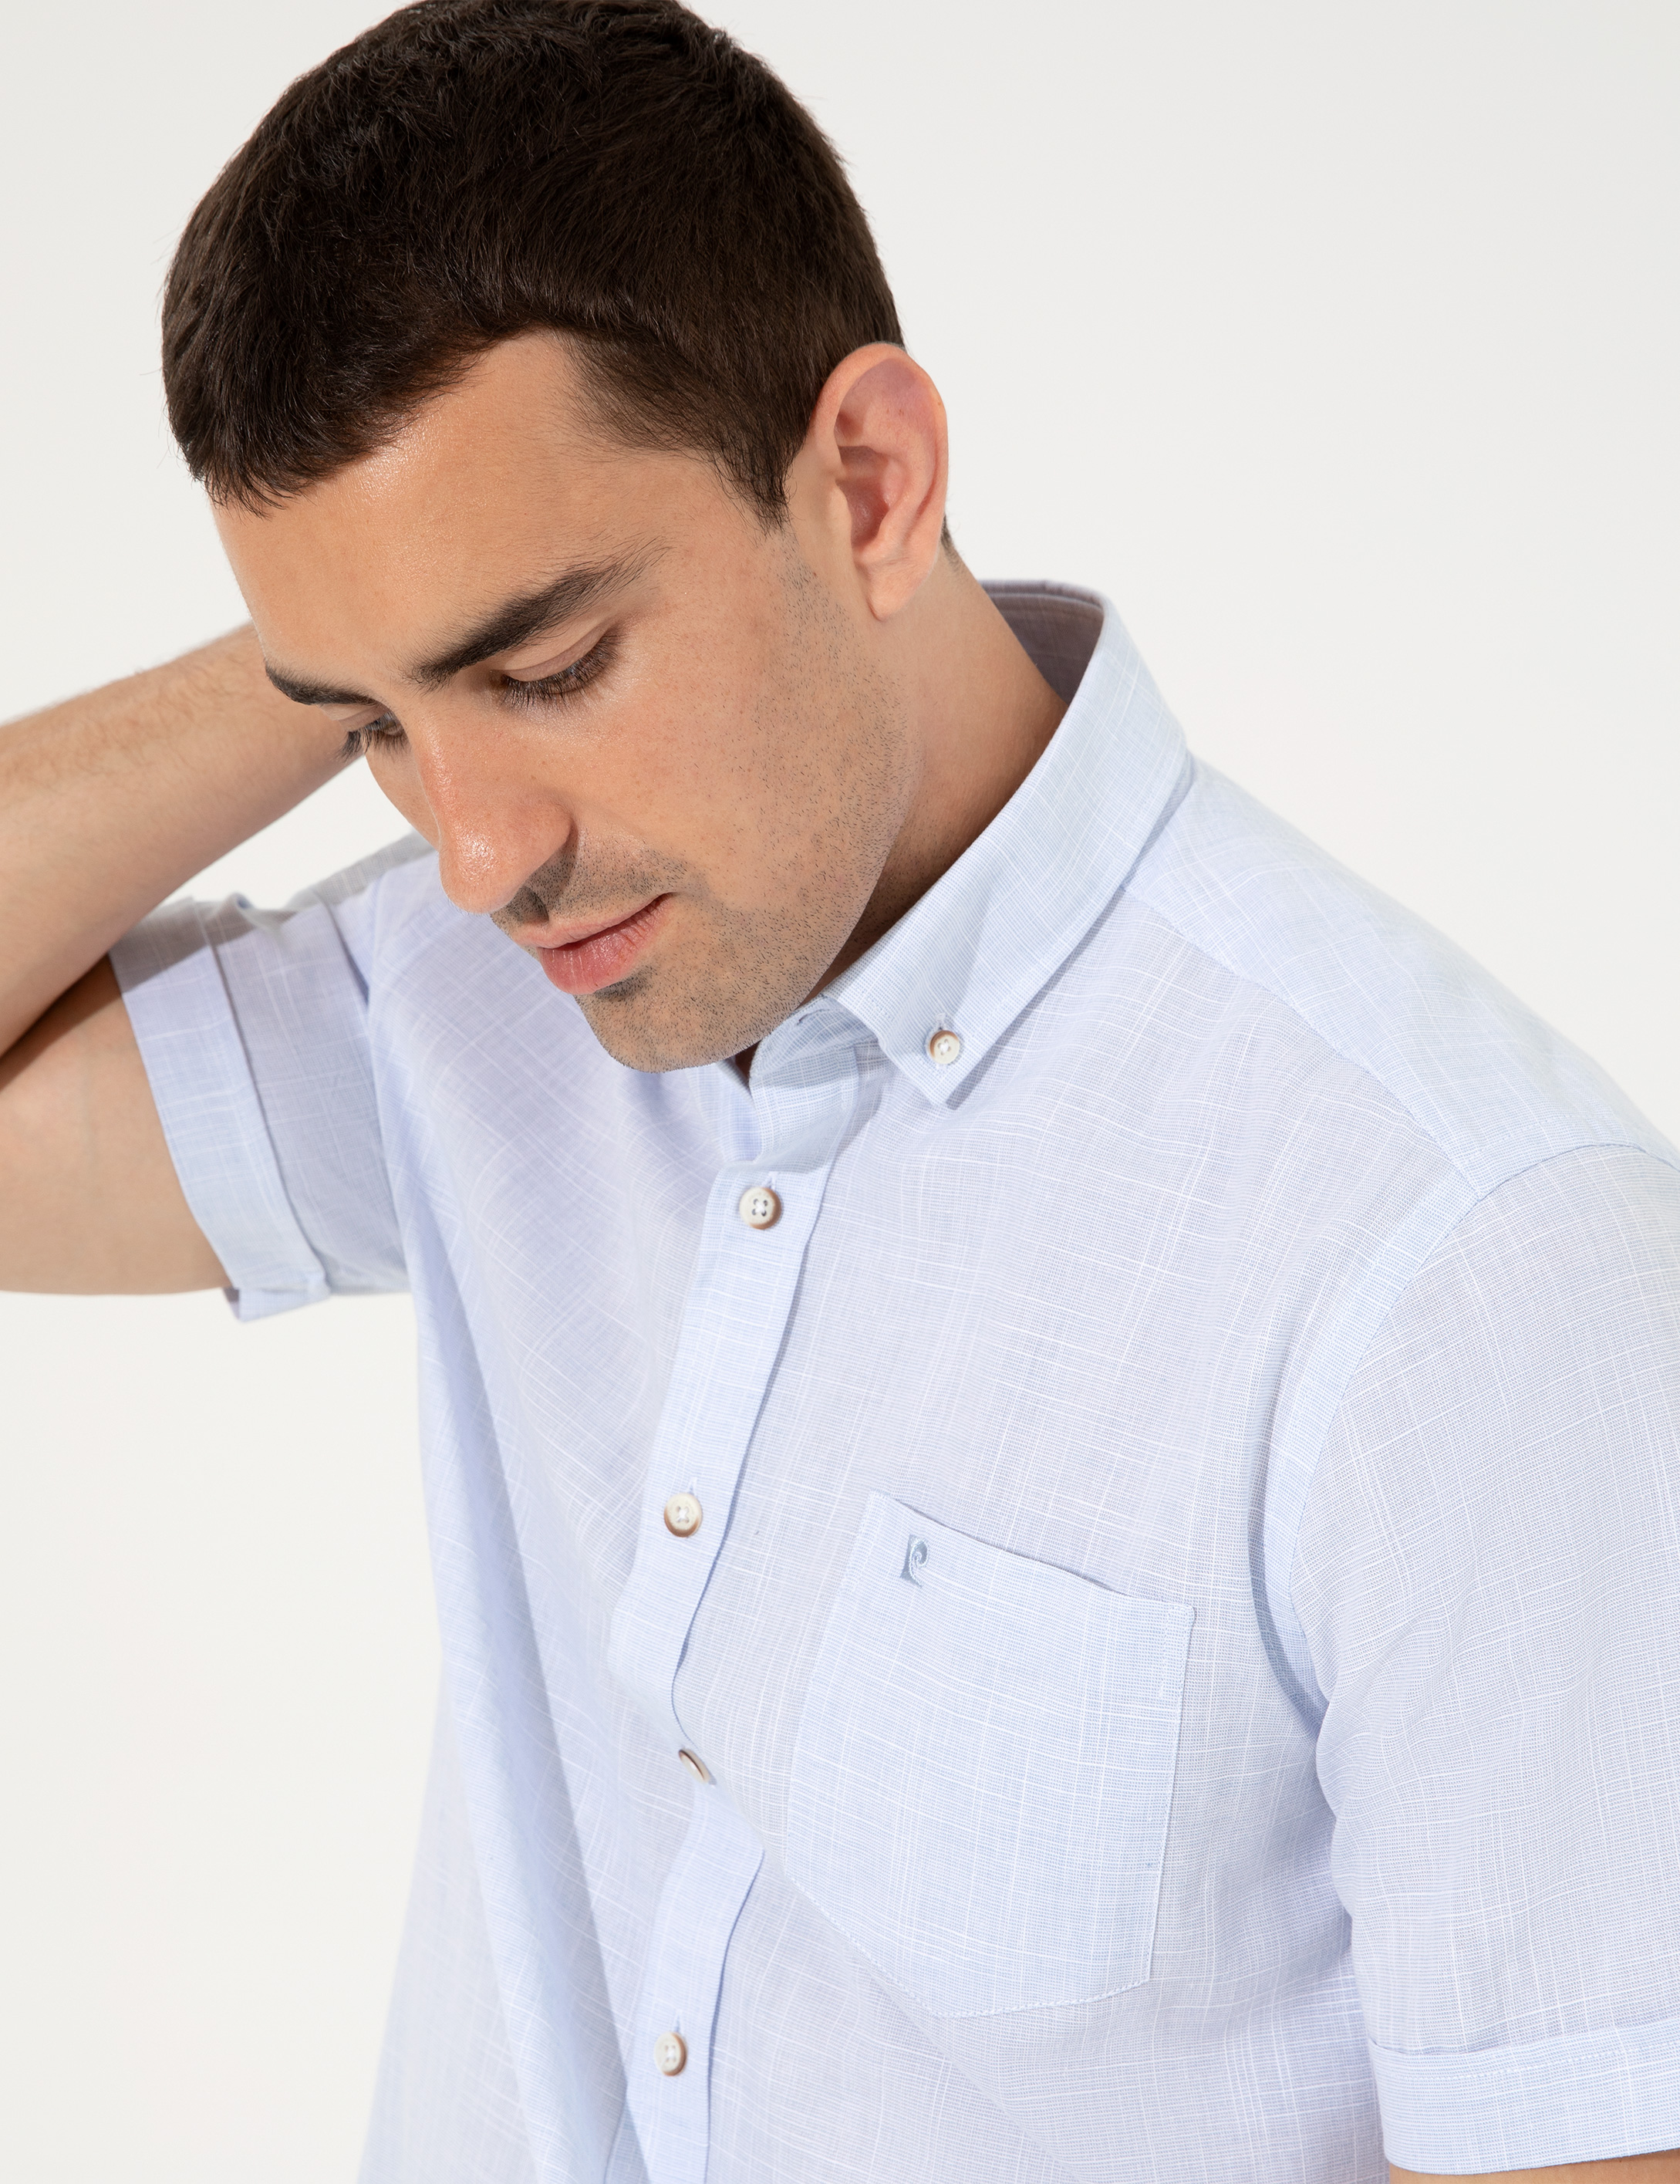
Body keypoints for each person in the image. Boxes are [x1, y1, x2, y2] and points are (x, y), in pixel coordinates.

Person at [2, 2, 1677, 2178]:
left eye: (549, 665)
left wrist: (408, 631)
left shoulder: (1472, 1264)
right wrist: (381, 612)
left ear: (870, 486)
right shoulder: (490, 990)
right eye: (378, 730)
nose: (477, 853)